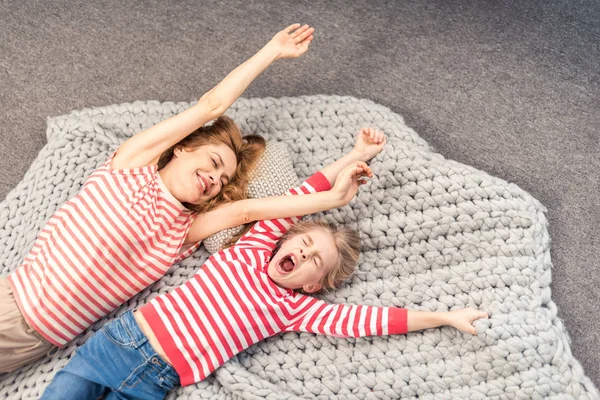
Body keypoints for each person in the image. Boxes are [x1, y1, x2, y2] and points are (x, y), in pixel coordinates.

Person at [0, 23, 356, 372]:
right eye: (214, 162)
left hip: (37, 341)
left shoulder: (181, 233)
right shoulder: (130, 167)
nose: (214, 179)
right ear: (183, 148)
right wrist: (272, 52)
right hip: (13, 302)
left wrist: (333, 199)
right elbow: (211, 106)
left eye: (222, 180)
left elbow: (249, 209)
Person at [41, 156, 489, 400]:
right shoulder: (254, 248)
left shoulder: (294, 308)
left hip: (154, 380)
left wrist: (443, 316)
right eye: (303, 243)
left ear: (314, 284)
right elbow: (301, 197)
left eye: (313, 259)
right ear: (283, 241)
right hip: (119, 341)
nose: (302, 252)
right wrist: (354, 158)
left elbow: (368, 320)